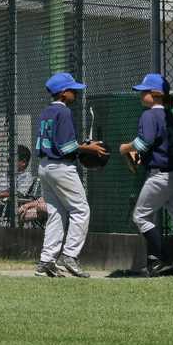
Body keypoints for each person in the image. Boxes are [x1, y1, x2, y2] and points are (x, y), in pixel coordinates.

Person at [34, 72, 107, 279]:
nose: (75, 93)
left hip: (44, 166)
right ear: (63, 93)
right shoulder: (64, 112)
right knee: (81, 210)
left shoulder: (46, 111)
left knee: (56, 213)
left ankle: (46, 261)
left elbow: (57, 143)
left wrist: (81, 146)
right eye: (72, 90)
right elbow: (67, 147)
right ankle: (70, 255)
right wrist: (89, 148)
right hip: (61, 167)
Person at [119, 74, 173, 277]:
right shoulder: (171, 116)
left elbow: (144, 142)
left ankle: (166, 259)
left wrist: (124, 148)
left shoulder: (149, 115)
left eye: (144, 91)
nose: (141, 95)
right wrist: (140, 158)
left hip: (159, 176)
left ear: (155, 94)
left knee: (141, 216)